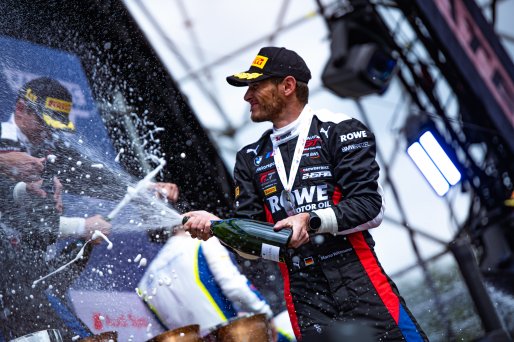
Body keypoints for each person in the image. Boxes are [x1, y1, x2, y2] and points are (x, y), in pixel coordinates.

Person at [183, 47, 428, 341]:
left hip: (360, 281)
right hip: (304, 296)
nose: (247, 96)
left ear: (287, 86)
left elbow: (371, 207)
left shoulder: (339, 130)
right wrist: (218, 227)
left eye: (256, 86)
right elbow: (250, 247)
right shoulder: (250, 158)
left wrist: (310, 220)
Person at [0, 77, 179, 340]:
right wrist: (82, 227)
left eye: (54, 127)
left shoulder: (48, 147)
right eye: (44, 124)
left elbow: (92, 176)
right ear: (20, 109)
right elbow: (17, 218)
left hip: (27, 277)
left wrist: (143, 190)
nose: (49, 133)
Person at [138, 226, 295, 341]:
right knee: (294, 324)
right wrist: (265, 314)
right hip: (234, 336)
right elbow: (235, 287)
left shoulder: (145, 282)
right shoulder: (202, 242)